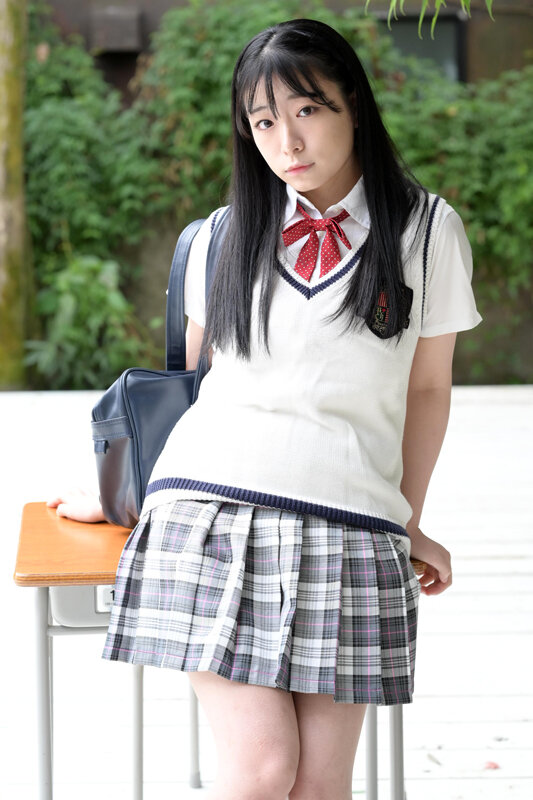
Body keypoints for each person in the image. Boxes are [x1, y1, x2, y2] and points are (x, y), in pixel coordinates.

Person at [48, 18, 482, 800]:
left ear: (353, 104)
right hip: (210, 514)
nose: (287, 141)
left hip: (350, 527)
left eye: (306, 110)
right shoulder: (224, 233)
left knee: (317, 786)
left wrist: (407, 518)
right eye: (263, 122)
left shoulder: (425, 230)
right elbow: (195, 384)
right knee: (261, 771)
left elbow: (426, 388)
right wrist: (127, 494)